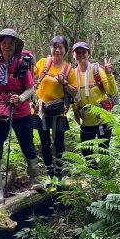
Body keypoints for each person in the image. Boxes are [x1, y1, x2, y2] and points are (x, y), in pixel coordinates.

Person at [0, 29, 41, 204]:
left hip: (21, 111)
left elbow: (31, 88)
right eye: (4, 42)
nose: (7, 45)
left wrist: (21, 98)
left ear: (15, 45)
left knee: (27, 145)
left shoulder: (21, 64)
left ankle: (34, 180)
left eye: (11, 42)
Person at [34, 36, 77, 187]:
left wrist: (64, 83)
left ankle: (59, 175)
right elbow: (30, 78)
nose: (57, 50)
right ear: (51, 48)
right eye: (55, 47)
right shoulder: (42, 63)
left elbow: (74, 92)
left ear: (65, 50)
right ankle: (49, 174)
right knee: (44, 143)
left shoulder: (68, 69)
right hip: (41, 111)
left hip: (59, 111)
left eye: (61, 47)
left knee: (59, 143)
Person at [72, 41, 118, 157]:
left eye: (84, 52)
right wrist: (75, 111)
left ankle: (104, 174)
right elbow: (73, 96)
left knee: (104, 152)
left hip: (103, 119)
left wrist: (109, 75)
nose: (81, 55)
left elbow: (112, 92)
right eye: (78, 53)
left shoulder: (98, 71)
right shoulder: (72, 74)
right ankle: (93, 174)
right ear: (73, 55)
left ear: (89, 54)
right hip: (86, 120)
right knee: (87, 153)